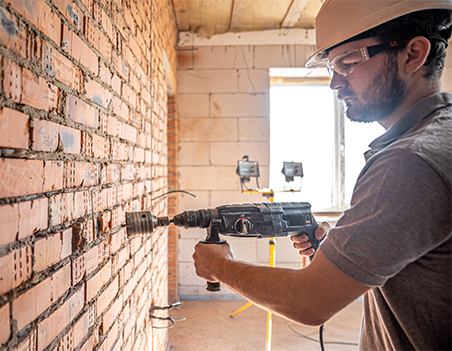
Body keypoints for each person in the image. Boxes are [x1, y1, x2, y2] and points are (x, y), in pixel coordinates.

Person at [192, 1, 452, 350]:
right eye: (332, 66)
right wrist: (346, 254)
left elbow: (309, 301)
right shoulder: (438, 136)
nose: (334, 83)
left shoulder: (409, 161)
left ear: (413, 53)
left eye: (348, 62)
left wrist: (218, 266)